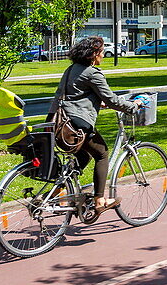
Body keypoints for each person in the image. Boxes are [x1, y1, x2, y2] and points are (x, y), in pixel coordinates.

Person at [49, 35, 140, 215]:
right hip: (76, 125)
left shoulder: (70, 69)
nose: (103, 55)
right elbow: (112, 99)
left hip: (59, 123)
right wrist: (133, 107)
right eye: (101, 51)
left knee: (84, 157)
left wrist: (97, 102)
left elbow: (74, 95)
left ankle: (57, 191)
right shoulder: (92, 73)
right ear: (93, 54)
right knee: (102, 153)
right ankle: (99, 200)